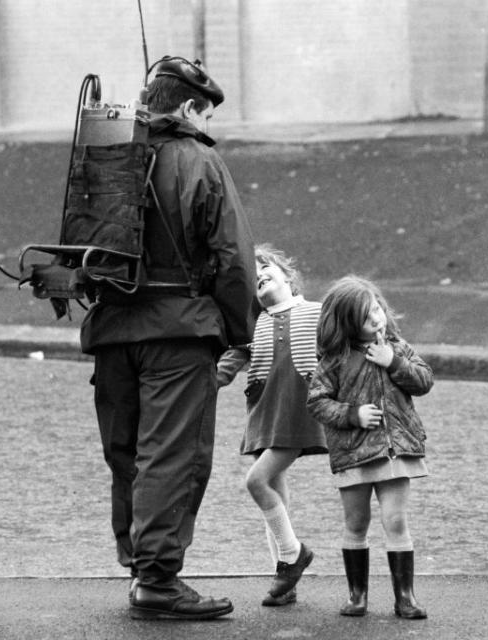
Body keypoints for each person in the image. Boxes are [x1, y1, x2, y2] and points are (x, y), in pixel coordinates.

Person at [83, 56, 256, 620]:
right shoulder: (200, 160)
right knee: (172, 455)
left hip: (111, 327)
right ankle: (157, 580)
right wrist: (240, 331)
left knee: (127, 450)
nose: (209, 125)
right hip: (180, 330)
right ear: (187, 108)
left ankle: (138, 563)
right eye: (205, 113)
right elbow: (233, 259)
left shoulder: (108, 153)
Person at [307, 275, 432, 619]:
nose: (376, 318)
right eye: (365, 316)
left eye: (376, 308)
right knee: (356, 521)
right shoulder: (334, 360)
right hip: (353, 453)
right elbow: (317, 402)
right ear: (347, 324)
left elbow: (424, 381)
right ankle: (357, 595)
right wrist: (352, 414)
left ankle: (404, 597)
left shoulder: (397, 346)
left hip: (395, 450)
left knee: (396, 519)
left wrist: (392, 361)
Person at [216, 245, 327, 607]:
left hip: (299, 410)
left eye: (266, 268)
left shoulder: (316, 312)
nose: (260, 274)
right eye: (254, 274)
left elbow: (345, 341)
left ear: (288, 278)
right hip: (264, 411)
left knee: (256, 482)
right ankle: (286, 580)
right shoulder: (253, 324)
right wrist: (206, 382)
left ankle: (294, 556)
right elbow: (229, 362)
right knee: (275, 498)